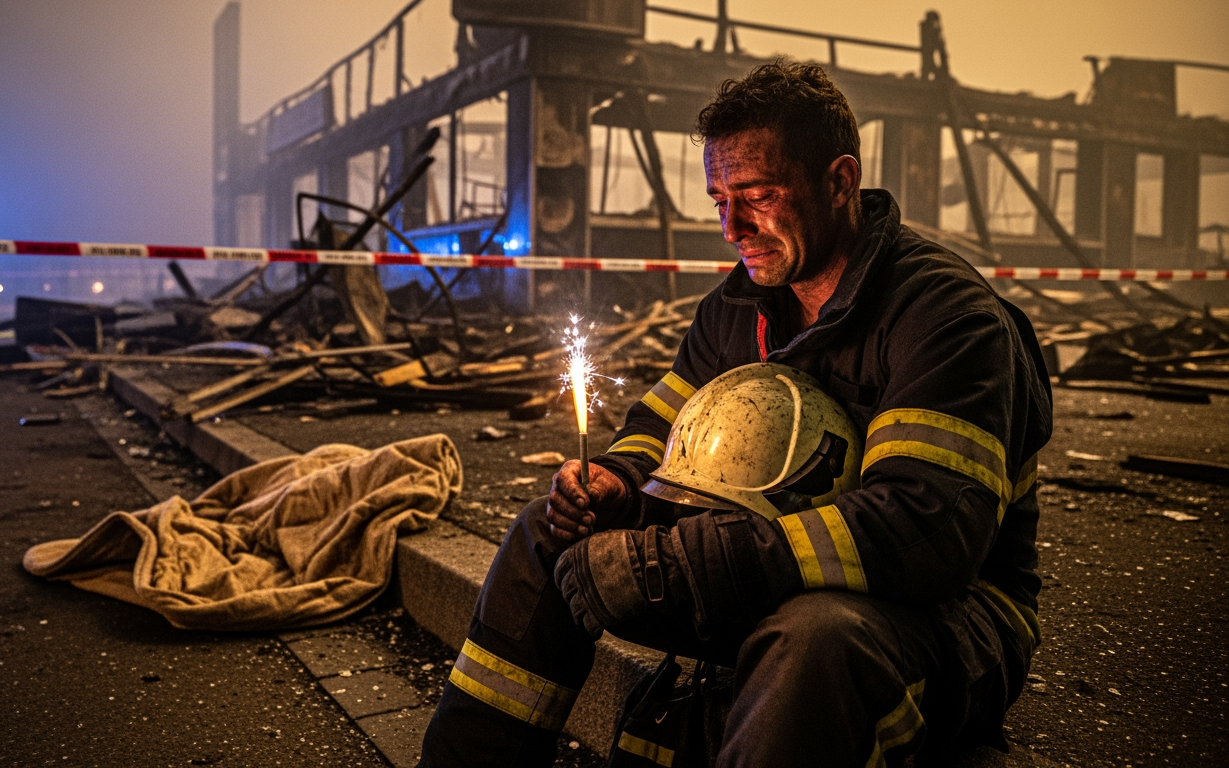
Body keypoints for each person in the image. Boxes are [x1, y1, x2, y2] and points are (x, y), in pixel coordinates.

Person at [419, 60, 1051, 767]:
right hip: (763, 565)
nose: (732, 226)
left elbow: (923, 532)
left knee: (812, 638)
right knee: (547, 534)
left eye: (757, 195)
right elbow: (659, 427)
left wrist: (681, 561)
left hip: (947, 619)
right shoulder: (738, 308)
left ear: (840, 182)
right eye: (719, 198)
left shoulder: (943, 318)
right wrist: (617, 483)